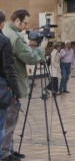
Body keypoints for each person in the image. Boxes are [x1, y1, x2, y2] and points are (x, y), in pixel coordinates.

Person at [2, 9, 47, 161]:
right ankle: (6, 152)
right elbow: (29, 57)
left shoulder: (8, 32)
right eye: (25, 23)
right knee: (10, 119)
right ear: (17, 21)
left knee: (9, 119)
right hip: (11, 84)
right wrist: (41, 49)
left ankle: (9, 149)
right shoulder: (13, 36)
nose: (27, 26)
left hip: (8, 84)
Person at [0, 10, 22, 161]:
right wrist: (16, 91)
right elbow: (9, 69)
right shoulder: (4, 41)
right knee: (0, 124)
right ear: (1, 24)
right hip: (1, 87)